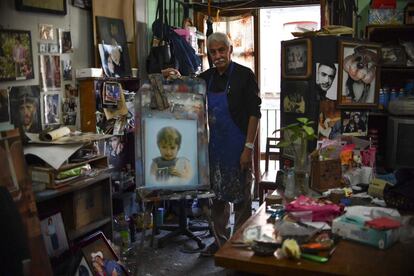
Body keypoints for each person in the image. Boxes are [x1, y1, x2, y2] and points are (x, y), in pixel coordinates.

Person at [198, 32, 261, 256]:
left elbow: (255, 114)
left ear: (230, 50)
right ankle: (220, 241)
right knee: (218, 198)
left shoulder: (244, 76)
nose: (217, 56)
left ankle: (239, 244)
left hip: (239, 147)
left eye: (221, 50)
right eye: (213, 52)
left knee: (243, 199)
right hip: (215, 149)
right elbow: (186, 91)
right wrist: (175, 76)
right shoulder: (205, 79)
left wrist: (248, 149)